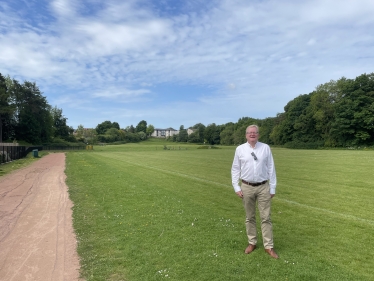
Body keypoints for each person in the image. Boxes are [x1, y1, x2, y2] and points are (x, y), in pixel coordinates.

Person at [231, 125, 279, 259]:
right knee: (249, 217)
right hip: (246, 187)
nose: (252, 134)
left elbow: (271, 167)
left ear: (258, 135)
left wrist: (273, 187)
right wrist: (236, 186)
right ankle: (252, 243)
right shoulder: (240, 149)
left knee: (266, 217)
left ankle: (268, 246)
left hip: (263, 186)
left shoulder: (265, 148)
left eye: (255, 132)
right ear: (246, 135)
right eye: (250, 133)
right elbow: (235, 169)